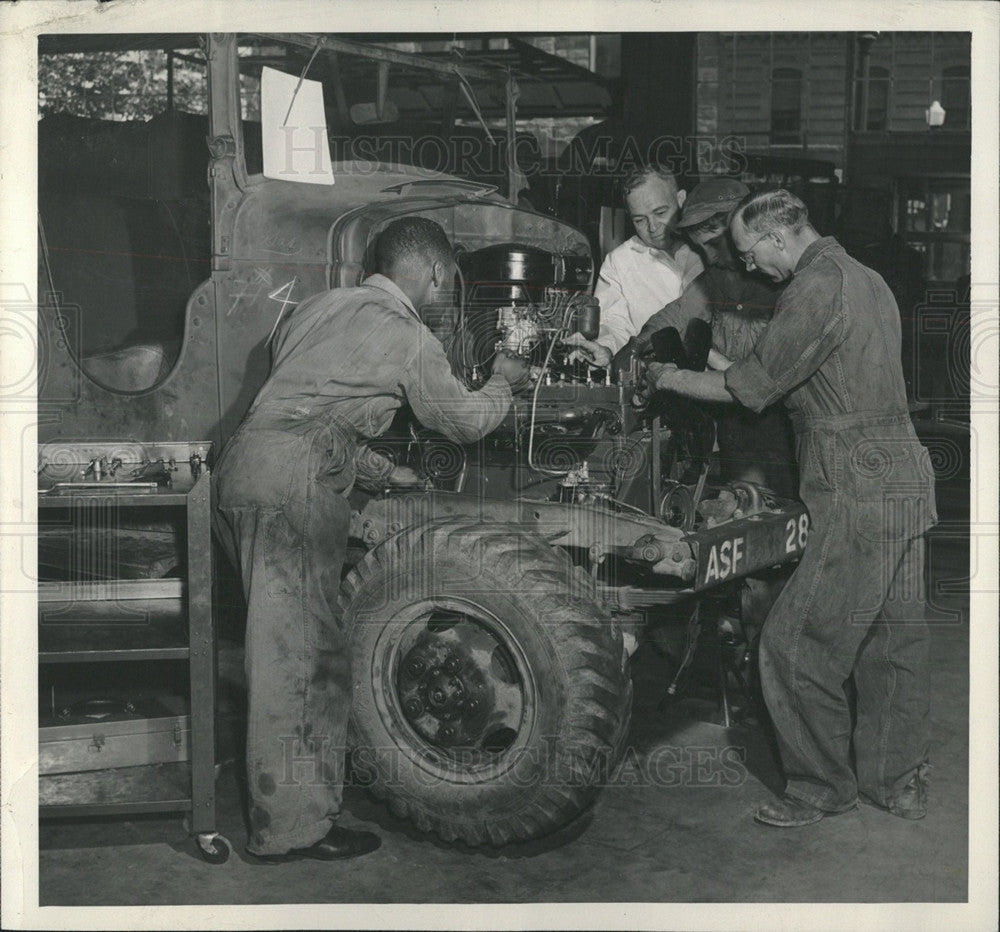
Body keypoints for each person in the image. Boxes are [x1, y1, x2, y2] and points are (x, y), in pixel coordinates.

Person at [212, 217, 530, 862]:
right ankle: (291, 830)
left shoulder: (316, 308)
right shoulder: (407, 330)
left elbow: (305, 403)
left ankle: (293, 807)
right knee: (301, 662)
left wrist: (382, 470)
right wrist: (505, 379)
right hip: (291, 482)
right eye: (450, 283)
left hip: (242, 467)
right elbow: (463, 422)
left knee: (287, 647)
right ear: (436, 273)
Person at [646, 189, 937, 827]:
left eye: (752, 254)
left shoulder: (813, 287)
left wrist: (659, 378)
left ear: (780, 240)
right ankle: (898, 782)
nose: (749, 268)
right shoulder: (869, 278)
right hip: (908, 477)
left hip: (854, 481)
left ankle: (819, 787)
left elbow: (748, 386)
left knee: (792, 645)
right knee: (889, 640)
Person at [636, 177, 796, 497]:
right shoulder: (715, 280)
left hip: (783, 450)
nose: (708, 257)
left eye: (713, 243)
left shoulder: (786, 284)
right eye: (699, 247)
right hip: (732, 447)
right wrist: (626, 354)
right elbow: (667, 322)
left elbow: (765, 383)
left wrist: (704, 358)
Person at [563, 164, 703, 368]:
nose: (653, 227)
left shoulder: (709, 247)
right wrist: (605, 348)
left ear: (681, 200)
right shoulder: (620, 261)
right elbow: (615, 324)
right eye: (640, 220)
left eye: (661, 212)